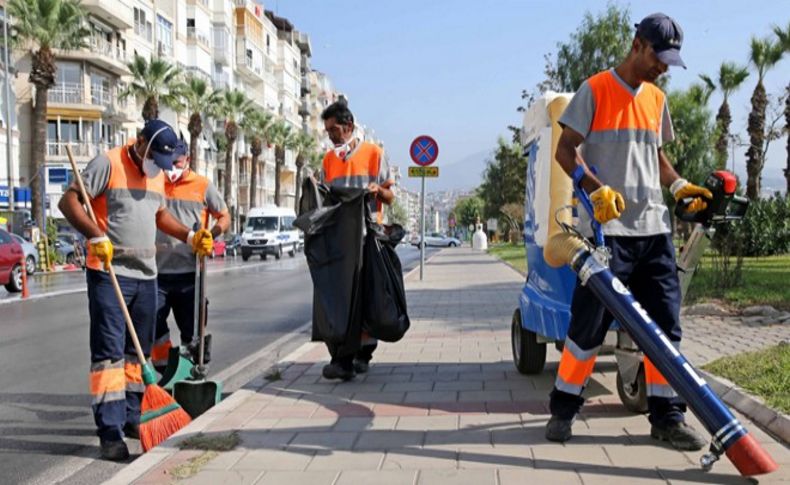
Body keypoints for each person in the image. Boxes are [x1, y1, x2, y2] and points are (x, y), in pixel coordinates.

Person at [546, 13, 712, 451]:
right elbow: (566, 151)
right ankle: (563, 409)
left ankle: (667, 417)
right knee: (589, 326)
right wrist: (594, 190)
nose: (663, 67)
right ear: (637, 44)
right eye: (659, 57)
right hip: (606, 232)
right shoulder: (595, 89)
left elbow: (653, 156)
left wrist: (678, 185)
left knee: (664, 328)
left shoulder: (656, 99)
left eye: (669, 61)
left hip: (654, 229)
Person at [58, 120, 214, 461]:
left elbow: (159, 216)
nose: (157, 164)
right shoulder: (107, 163)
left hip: (147, 276)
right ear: (140, 141)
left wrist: (189, 236)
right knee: (109, 357)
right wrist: (94, 235)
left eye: (164, 160)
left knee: (136, 353)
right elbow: (68, 202)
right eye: (154, 155)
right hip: (110, 273)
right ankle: (110, 432)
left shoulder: (157, 171)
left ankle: (130, 416)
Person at [319, 100, 395, 380]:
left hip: (366, 236)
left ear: (349, 127)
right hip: (339, 239)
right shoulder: (328, 160)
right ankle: (345, 358)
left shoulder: (374, 153)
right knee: (343, 298)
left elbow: (390, 195)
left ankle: (361, 353)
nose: (331, 136)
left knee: (364, 297)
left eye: (334, 130)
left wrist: (377, 189)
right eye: (327, 131)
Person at [152, 140, 230, 371]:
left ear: (187, 159)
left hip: (190, 274)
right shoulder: (155, 183)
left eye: (176, 162)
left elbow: (224, 217)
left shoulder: (203, 185)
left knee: (192, 332)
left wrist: (211, 233)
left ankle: (190, 373)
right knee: (150, 320)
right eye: (168, 163)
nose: (171, 168)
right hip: (157, 273)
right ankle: (166, 370)